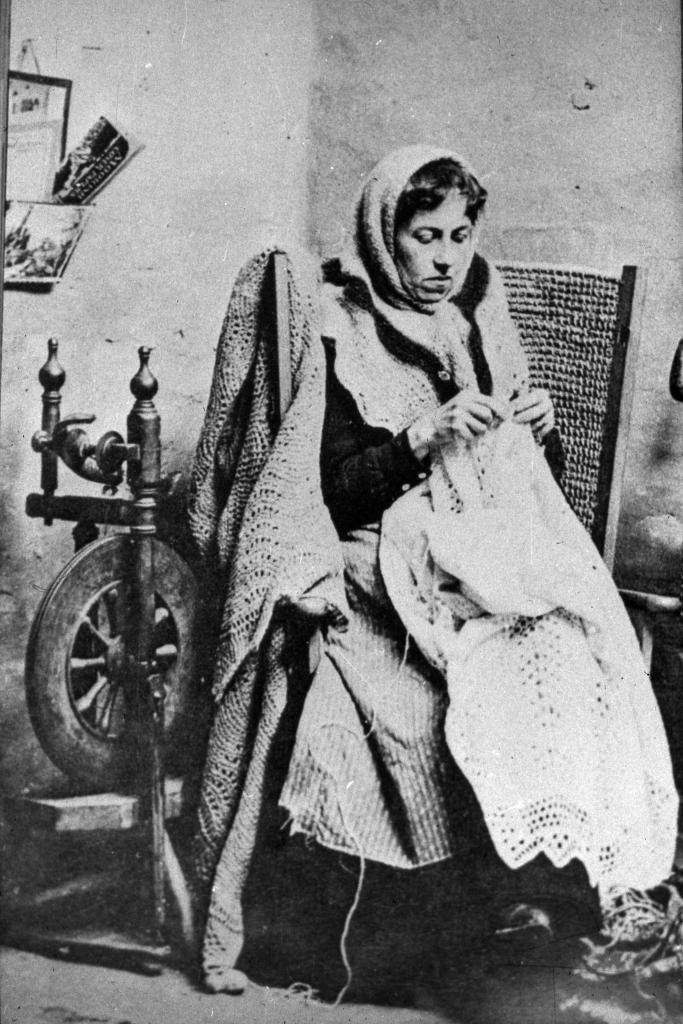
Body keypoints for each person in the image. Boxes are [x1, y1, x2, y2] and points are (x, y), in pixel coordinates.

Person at [188, 145, 680, 1001]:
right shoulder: (335, 326)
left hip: (472, 549)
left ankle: (549, 898)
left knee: (573, 656)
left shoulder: (474, 316)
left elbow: (523, 483)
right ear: (386, 235)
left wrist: (539, 429)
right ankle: (438, 932)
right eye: (425, 237)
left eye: (459, 235)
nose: (446, 258)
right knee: (437, 697)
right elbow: (323, 494)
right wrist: (419, 438)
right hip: (368, 555)